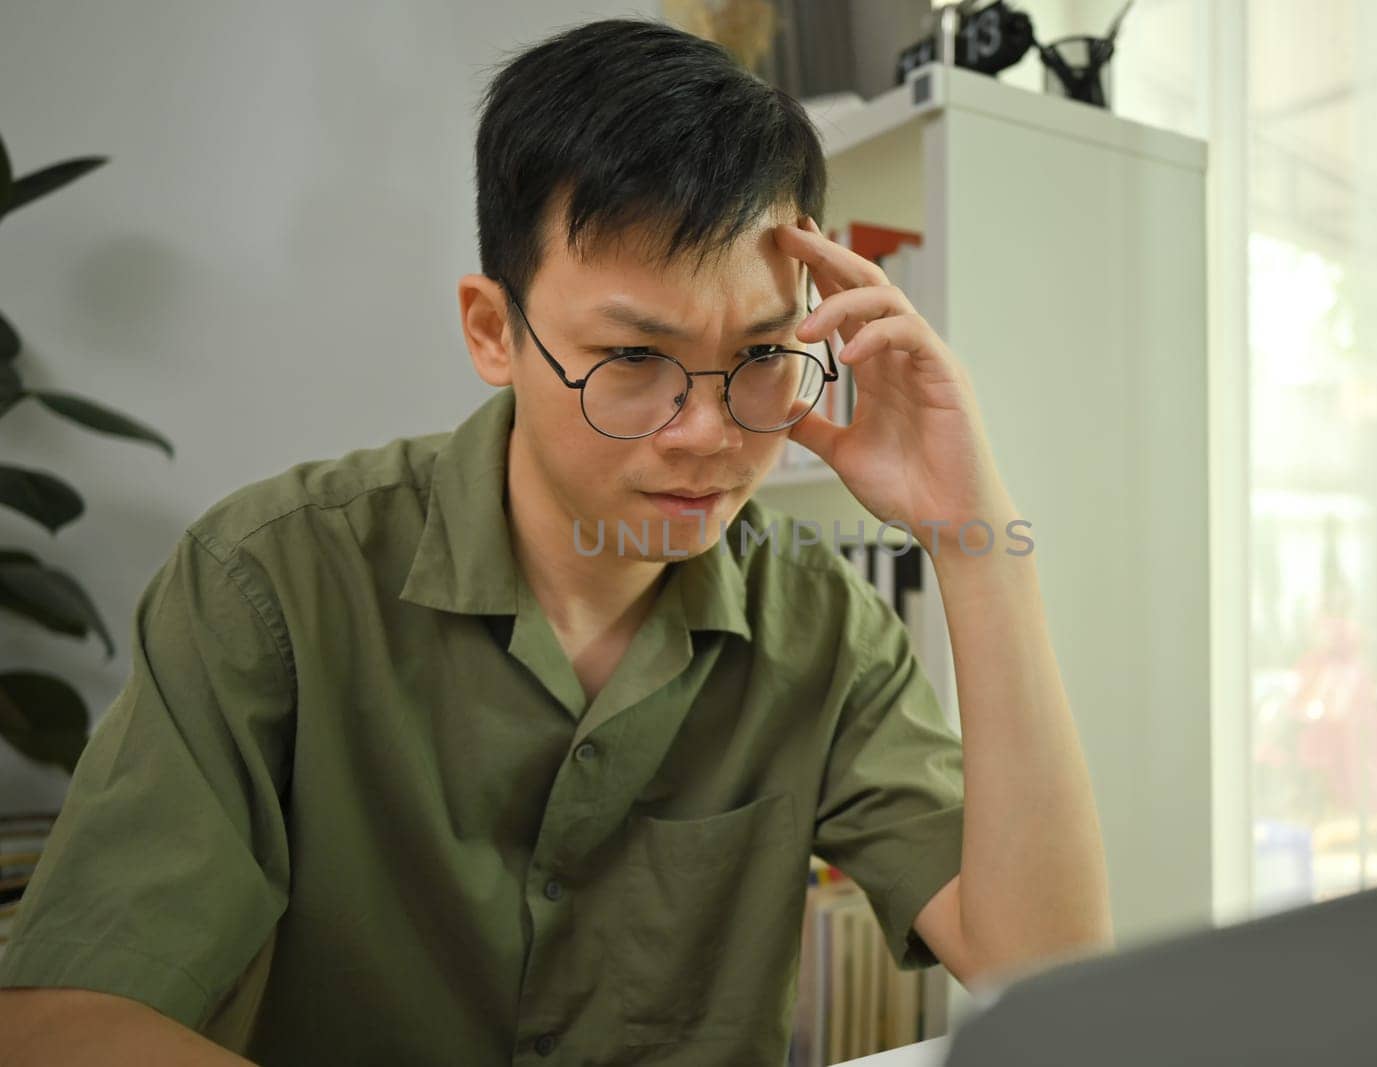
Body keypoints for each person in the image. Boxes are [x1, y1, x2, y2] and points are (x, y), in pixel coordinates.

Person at [0, 17, 1110, 1066]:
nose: (709, 434)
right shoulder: (273, 582)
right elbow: (61, 1020)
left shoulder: (824, 626)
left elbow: (1039, 969)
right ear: (494, 329)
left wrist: (975, 542)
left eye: (765, 355)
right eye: (632, 359)